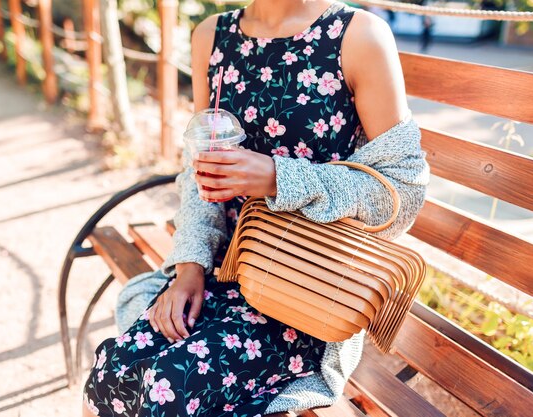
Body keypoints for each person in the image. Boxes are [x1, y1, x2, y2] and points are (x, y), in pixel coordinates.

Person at [82, 1, 428, 415]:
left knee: (169, 389)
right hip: (220, 273)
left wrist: (278, 178)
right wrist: (189, 267)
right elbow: (200, 173)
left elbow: (403, 193)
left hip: (305, 293)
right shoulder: (212, 36)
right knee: (110, 373)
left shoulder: (357, 35)